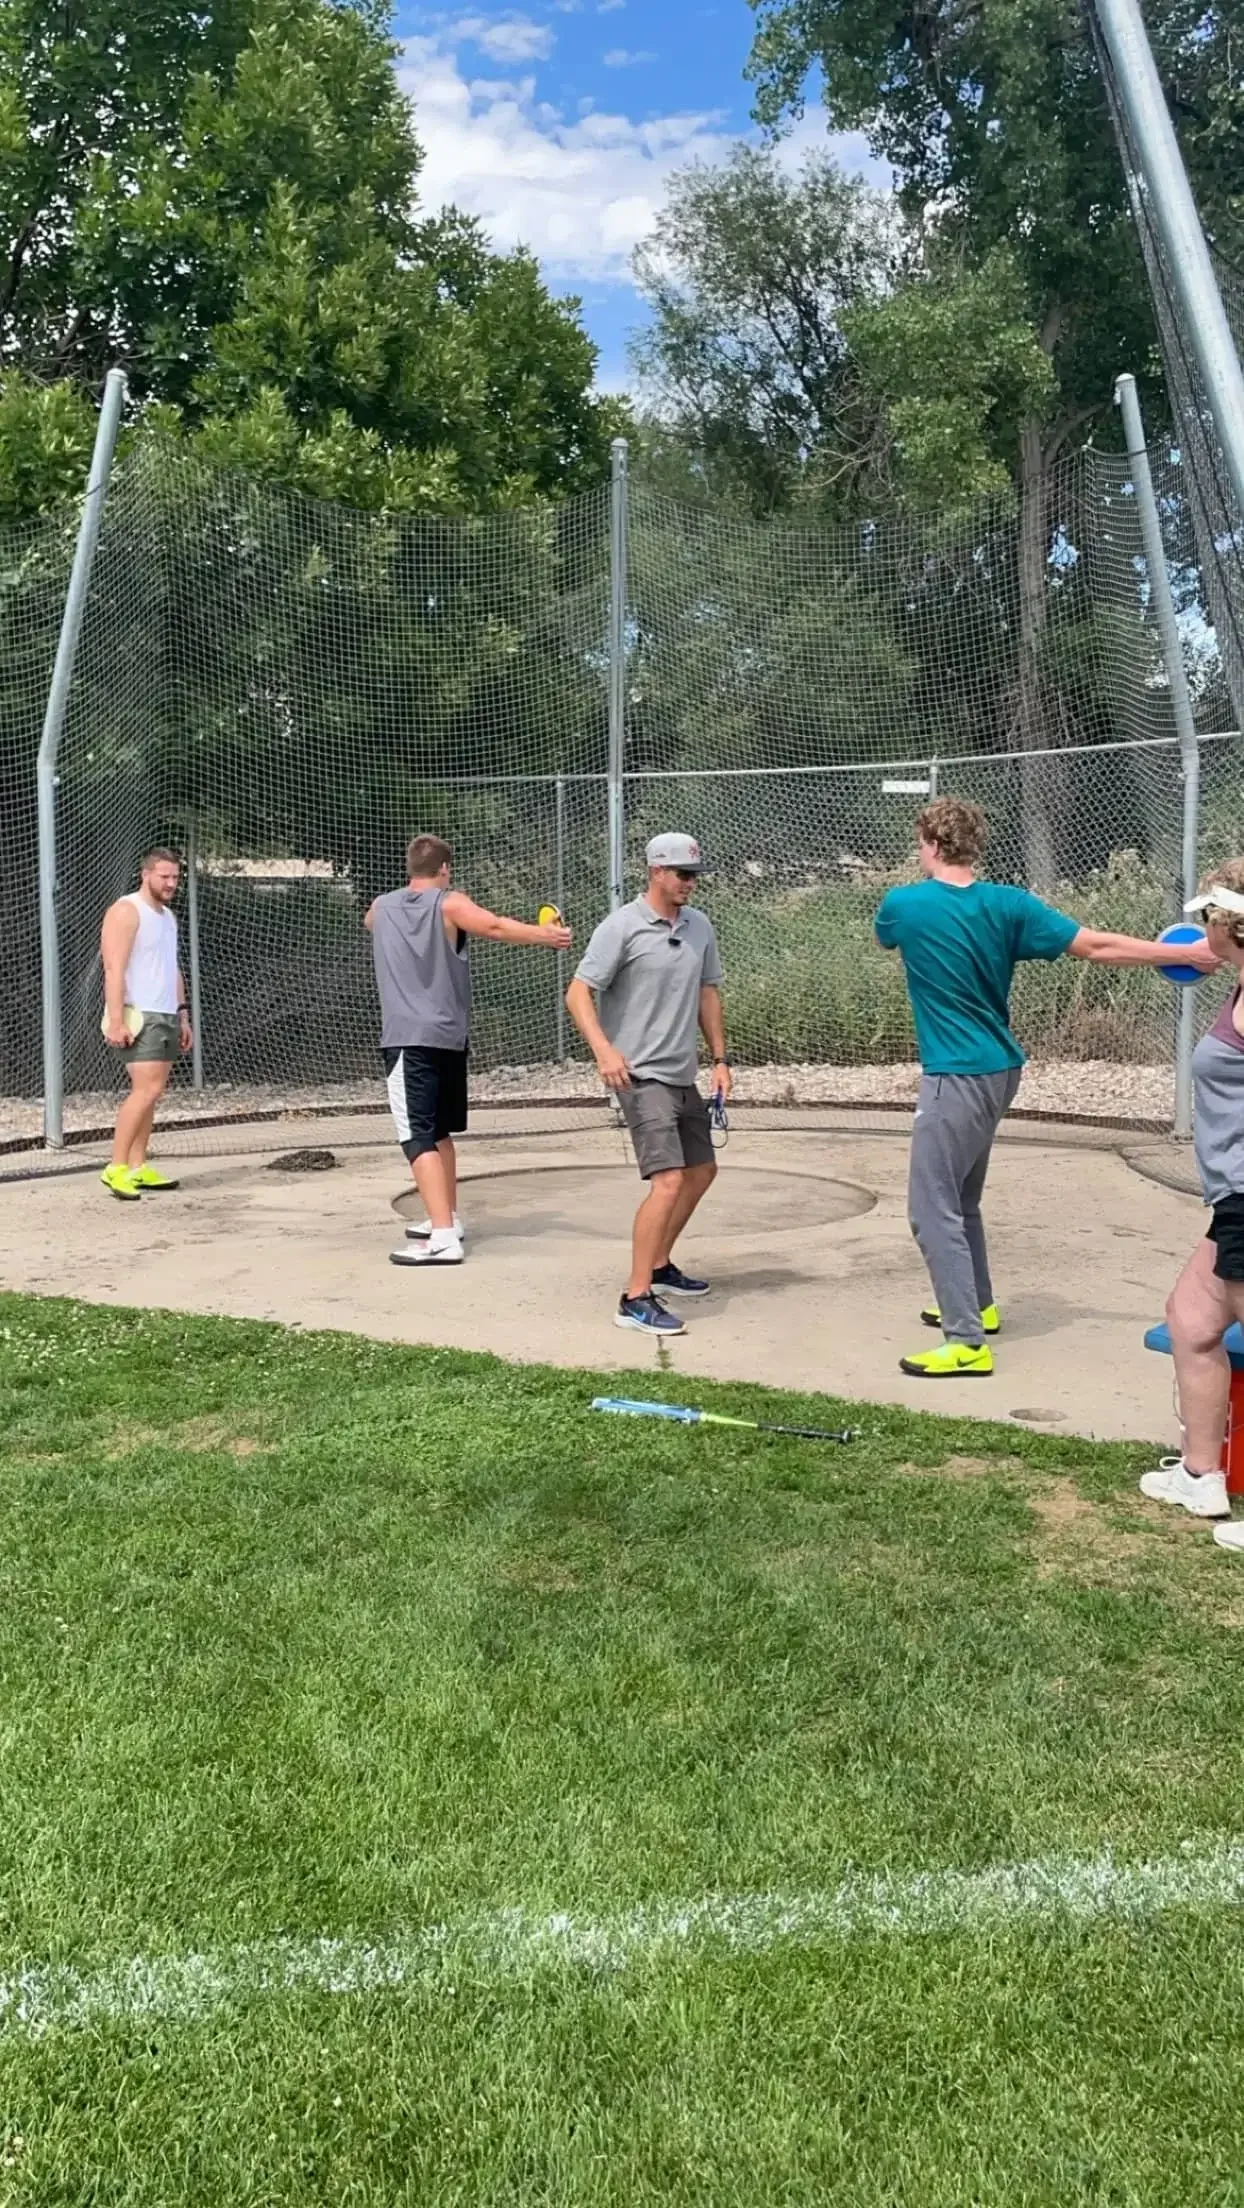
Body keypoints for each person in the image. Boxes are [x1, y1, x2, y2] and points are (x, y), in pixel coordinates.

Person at [875, 797, 1220, 1379]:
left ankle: (965, 1342)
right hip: (999, 1071)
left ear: (930, 845)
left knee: (929, 1209)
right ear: (975, 845)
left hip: (955, 1075)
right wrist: (1185, 952)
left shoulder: (903, 905)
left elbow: (890, 937)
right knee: (960, 1198)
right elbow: (1098, 947)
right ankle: (976, 1307)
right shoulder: (1010, 904)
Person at [366, 834, 571, 1268]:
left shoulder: (382, 907)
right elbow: (493, 925)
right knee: (439, 1132)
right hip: (447, 1036)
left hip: (407, 1037)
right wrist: (546, 935)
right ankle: (447, 1219)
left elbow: (370, 921)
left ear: (410, 869)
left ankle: (442, 1238)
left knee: (416, 1136)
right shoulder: (451, 904)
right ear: (445, 869)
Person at [566, 832, 731, 1337]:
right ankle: (635, 1297)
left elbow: (707, 992)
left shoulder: (699, 927)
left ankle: (659, 1264)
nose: (690, 884)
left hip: (682, 1072)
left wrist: (720, 1059)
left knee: (702, 1170)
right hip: (639, 1074)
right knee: (668, 1180)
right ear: (656, 871)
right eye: (682, 874)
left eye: (695, 876)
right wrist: (604, 1050)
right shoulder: (621, 927)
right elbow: (578, 993)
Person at [1141, 862, 1244, 1548]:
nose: (1199, 926)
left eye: (1208, 916)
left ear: (1230, 924)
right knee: (1191, 1319)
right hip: (1232, 1201)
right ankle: (1201, 1475)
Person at [99, 848, 192, 1200]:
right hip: (141, 1014)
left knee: (154, 1094)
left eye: (175, 877)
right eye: (164, 876)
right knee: (145, 1091)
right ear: (146, 874)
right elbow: (113, 968)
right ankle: (115, 1167)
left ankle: (138, 1166)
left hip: (167, 1012)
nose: (171, 883)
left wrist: (183, 1015)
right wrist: (117, 1018)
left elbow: (173, 968)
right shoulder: (126, 910)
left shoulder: (168, 917)